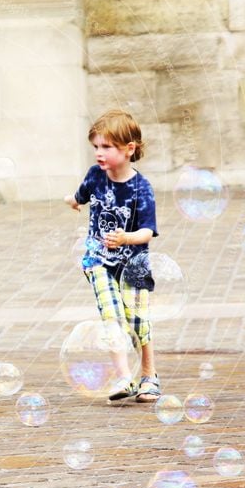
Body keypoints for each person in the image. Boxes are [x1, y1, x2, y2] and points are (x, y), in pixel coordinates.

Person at [64, 109, 160, 403]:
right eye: (95, 146)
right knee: (111, 317)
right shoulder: (95, 176)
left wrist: (125, 238)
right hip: (98, 261)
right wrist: (72, 201)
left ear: (129, 149)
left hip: (134, 264)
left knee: (138, 321)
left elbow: (147, 231)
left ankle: (148, 375)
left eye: (106, 147)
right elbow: (80, 195)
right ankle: (122, 376)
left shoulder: (140, 188)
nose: (98, 153)